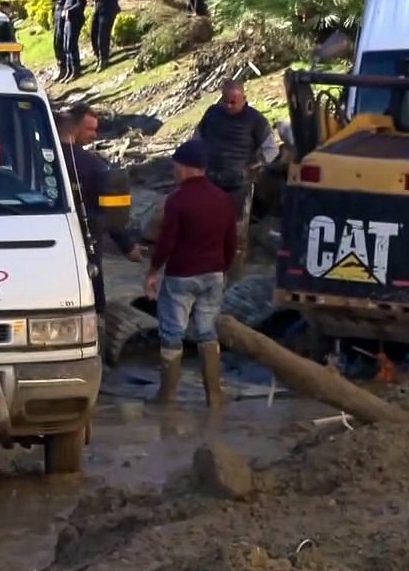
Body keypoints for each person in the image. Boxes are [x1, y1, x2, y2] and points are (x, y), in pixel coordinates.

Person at [144, 139, 237, 407]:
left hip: (181, 275)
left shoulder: (177, 201)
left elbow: (166, 242)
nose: (174, 172)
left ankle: (167, 396)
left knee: (172, 332)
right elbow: (231, 241)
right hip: (214, 274)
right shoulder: (223, 199)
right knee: (207, 333)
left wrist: (152, 270)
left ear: (185, 168)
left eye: (176, 167)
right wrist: (223, 267)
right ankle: (214, 395)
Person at [56, 104, 143, 314]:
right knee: (92, 294)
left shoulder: (34, 158)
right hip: (87, 239)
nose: (94, 135)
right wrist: (128, 246)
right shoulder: (92, 166)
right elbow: (112, 213)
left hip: (49, 239)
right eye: (90, 129)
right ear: (73, 128)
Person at [192, 80, 275, 277]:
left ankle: (230, 271)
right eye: (225, 102)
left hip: (238, 185)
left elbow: (271, 149)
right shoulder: (212, 113)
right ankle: (202, 266)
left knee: (234, 232)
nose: (228, 106)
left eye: (233, 102)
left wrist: (253, 167)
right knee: (203, 225)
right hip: (210, 180)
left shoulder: (256, 120)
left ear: (243, 99)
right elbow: (197, 138)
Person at [58, 0, 88, 82]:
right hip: (67, 18)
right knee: (66, 45)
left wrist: (69, 11)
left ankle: (76, 70)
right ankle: (69, 70)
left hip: (75, 18)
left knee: (71, 45)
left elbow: (80, 4)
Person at [50, 0, 73, 81]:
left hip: (64, 11)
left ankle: (65, 67)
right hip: (58, 11)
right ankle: (61, 65)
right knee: (56, 41)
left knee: (62, 42)